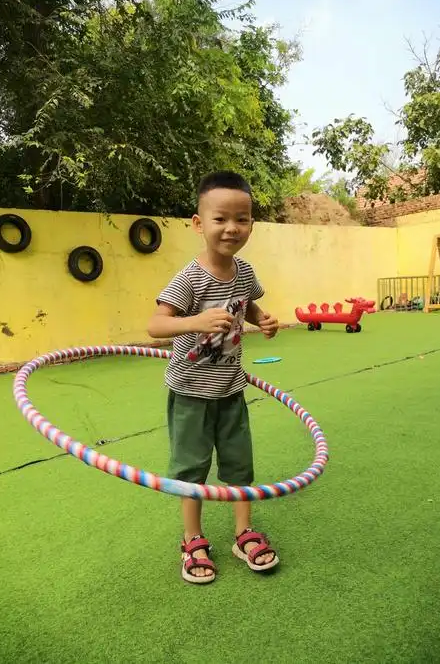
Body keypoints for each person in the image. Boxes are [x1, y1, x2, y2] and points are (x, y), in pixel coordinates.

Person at [147, 171, 280, 584]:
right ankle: (192, 539)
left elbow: (248, 305)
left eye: (241, 219)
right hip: (191, 392)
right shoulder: (190, 278)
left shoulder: (244, 272)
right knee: (191, 469)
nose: (231, 228)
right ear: (198, 223)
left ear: (251, 224)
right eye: (220, 219)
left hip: (231, 389)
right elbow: (155, 325)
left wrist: (263, 320)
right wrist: (195, 321)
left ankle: (244, 533)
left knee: (240, 464)